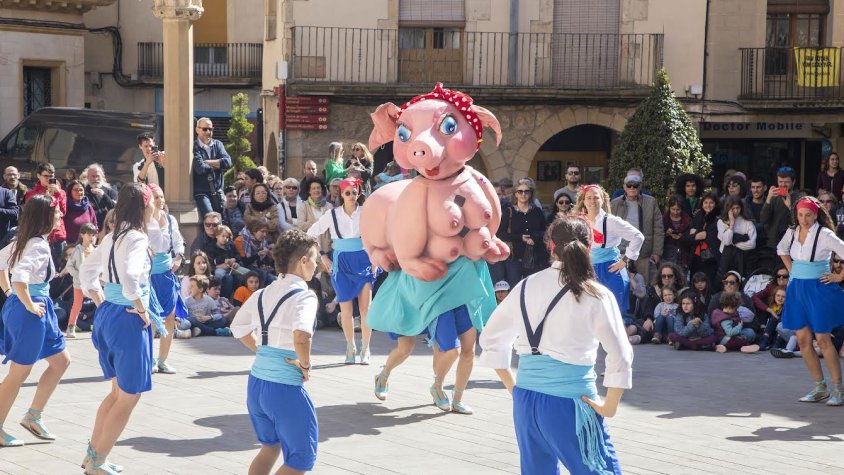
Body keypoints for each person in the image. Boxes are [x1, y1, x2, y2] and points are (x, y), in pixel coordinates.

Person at [479, 215, 632, 475]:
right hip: (570, 402)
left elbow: (491, 339)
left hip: (526, 402)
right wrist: (610, 406)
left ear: (551, 246)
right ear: (589, 247)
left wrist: (514, 388)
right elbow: (620, 354)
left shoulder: (525, 286)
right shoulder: (595, 293)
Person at [78, 183, 162, 473]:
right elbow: (129, 278)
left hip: (109, 315)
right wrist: (141, 309)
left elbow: (87, 272)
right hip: (127, 318)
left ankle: (94, 454)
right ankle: (97, 462)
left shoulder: (112, 235)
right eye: (153, 200)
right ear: (143, 206)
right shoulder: (136, 237)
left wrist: (102, 300)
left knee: (117, 393)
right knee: (128, 396)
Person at [231, 229, 320, 475]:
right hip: (284, 388)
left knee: (270, 447)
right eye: (315, 258)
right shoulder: (305, 296)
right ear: (303, 261)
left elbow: (237, 327)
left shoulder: (263, 292)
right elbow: (302, 335)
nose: (317, 264)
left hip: (257, 384)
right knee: (301, 458)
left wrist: (263, 351)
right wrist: (305, 365)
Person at [0, 195, 70, 447]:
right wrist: (27, 302)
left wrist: (12, 294)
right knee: (18, 373)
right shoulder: (37, 244)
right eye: (57, 213)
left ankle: (33, 416)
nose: (60, 216)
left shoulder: (25, 238)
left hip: (34, 308)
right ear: (45, 217)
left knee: (61, 361)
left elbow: (1, 265)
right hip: (31, 311)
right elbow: (19, 277)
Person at [777, 196, 844, 405]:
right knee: (804, 341)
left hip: (817, 289)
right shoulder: (793, 231)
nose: (804, 219)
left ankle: (838, 389)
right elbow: (781, 250)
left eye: (808, 215)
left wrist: (839, 276)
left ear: (816, 215)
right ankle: (819, 387)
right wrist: (792, 271)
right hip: (797, 289)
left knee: (823, 340)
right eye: (800, 215)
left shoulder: (824, 234)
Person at [307, 178, 377, 364]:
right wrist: (322, 255)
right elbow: (311, 233)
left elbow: (378, 235)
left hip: (363, 260)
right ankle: (350, 346)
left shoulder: (366, 212)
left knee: (366, 309)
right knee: (346, 310)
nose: (352, 196)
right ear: (341, 194)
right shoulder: (333, 214)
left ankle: (366, 347)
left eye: (355, 192)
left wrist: (376, 258)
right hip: (342, 263)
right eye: (348, 193)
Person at [574, 184, 644, 315]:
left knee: (615, 313)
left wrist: (625, 260)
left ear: (603, 200)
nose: (592, 201)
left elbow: (638, 237)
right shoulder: (579, 221)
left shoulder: (611, 221)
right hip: (588, 270)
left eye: (596, 197)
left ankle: (630, 334)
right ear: (583, 201)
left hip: (610, 269)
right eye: (588, 198)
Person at [148, 184, 188, 375]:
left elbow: (178, 241)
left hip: (166, 273)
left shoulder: (170, 219)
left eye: (162, 197)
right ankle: (149, 359)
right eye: (156, 197)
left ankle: (163, 360)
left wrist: (179, 257)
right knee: (151, 318)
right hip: (147, 274)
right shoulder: (144, 221)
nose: (160, 200)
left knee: (169, 317)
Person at [610, 173, 664, 284]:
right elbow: (608, 228)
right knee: (622, 284)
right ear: (624, 186)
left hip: (644, 252)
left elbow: (658, 228)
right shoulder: (614, 204)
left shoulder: (651, 202)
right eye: (629, 185)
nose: (632, 188)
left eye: (635, 185)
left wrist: (657, 252)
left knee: (644, 286)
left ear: (640, 186)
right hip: (621, 252)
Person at [499, 180, 549, 283]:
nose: (523, 194)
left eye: (526, 191)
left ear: (531, 193)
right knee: (514, 289)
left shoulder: (537, 212)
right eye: (520, 191)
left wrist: (534, 237)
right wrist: (520, 238)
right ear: (515, 194)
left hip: (534, 258)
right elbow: (500, 234)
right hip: (514, 259)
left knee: (532, 289)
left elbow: (545, 231)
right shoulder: (508, 212)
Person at [25, 163, 67, 267]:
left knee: (58, 266)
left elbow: (63, 212)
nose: (49, 178)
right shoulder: (32, 194)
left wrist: (58, 194)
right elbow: (33, 215)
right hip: (39, 234)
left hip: (57, 235)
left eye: (51, 176)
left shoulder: (61, 192)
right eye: (46, 176)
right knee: (40, 266)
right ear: (38, 176)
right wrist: (46, 199)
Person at [193, 117, 233, 218]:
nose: (208, 132)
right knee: (210, 218)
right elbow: (200, 168)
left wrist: (207, 162)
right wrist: (217, 165)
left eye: (210, 129)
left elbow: (228, 162)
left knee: (222, 220)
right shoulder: (194, 146)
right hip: (202, 193)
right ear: (197, 130)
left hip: (217, 191)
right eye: (205, 129)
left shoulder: (218, 144)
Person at [64, 223, 98, 339]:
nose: (91, 237)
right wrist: (77, 276)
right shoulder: (77, 249)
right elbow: (69, 266)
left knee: (100, 303)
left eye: (93, 235)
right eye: (89, 234)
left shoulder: (96, 249)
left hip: (93, 282)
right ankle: (71, 326)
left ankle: (100, 326)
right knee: (77, 305)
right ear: (82, 235)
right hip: (79, 283)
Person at [761, 166, 803, 251]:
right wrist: (768, 199)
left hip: (792, 243)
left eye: (786, 182)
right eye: (780, 181)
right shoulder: (773, 196)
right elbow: (763, 220)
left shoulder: (800, 197)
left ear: (793, 182)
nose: (783, 185)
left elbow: (801, 222)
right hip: (773, 243)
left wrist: (790, 207)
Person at [716, 195, 756, 282]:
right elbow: (726, 242)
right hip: (726, 258)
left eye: (737, 208)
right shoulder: (721, 222)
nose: (735, 211)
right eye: (732, 208)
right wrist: (731, 224)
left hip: (743, 257)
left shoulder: (748, 222)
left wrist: (733, 242)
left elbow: (752, 244)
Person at [689, 192, 722, 286]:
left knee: (709, 286)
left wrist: (701, 234)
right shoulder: (698, 216)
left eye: (711, 202)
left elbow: (714, 238)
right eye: (705, 202)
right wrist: (697, 236)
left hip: (711, 259)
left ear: (715, 204)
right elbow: (688, 237)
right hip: (696, 258)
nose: (708, 205)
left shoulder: (719, 218)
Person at [63, 180, 98, 245]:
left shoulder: (88, 207)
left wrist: (92, 242)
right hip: (69, 246)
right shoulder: (65, 206)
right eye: (75, 190)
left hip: (86, 245)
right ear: (70, 191)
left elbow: (95, 226)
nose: (78, 192)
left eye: (81, 190)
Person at [84, 164, 119, 228]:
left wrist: (103, 195)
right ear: (88, 177)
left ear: (102, 176)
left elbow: (116, 209)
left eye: (98, 176)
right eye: (93, 176)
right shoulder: (83, 191)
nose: (96, 179)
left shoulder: (110, 191)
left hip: (107, 228)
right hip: (90, 229)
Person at [662, 195, 692, 267]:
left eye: (678, 209)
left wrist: (682, 236)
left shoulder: (688, 220)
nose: (675, 212)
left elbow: (691, 238)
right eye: (673, 209)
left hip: (683, 255)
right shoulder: (663, 219)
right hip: (667, 254)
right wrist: (665, 234)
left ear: (682, 209)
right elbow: (658, 236)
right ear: (669, 208)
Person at [757, 285, 786, 351]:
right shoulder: (771, 305)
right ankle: (764, 341)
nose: (780, 298)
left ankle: (777, 343)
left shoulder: (787, 307)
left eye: (783, 297)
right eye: (778, 295)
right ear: (774, 296)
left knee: (781, 320)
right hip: (770, 332)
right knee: (772, 319)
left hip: (782, 334)